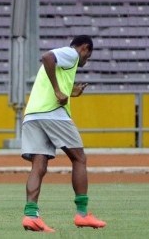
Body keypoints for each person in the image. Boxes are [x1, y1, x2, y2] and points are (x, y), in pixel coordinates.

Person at [21, 35, 106, 232]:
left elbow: (53, 70)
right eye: (88, 56)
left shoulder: (66, 63)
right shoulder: (72, 54)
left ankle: (31, 215)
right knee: (79, 159)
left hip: (33, 114)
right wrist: (59, 91)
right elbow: (47, 56)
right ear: (84, 48)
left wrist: (68, 92)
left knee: (38, 165)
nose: (86, 61)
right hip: (54, 115)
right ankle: (82, 214)